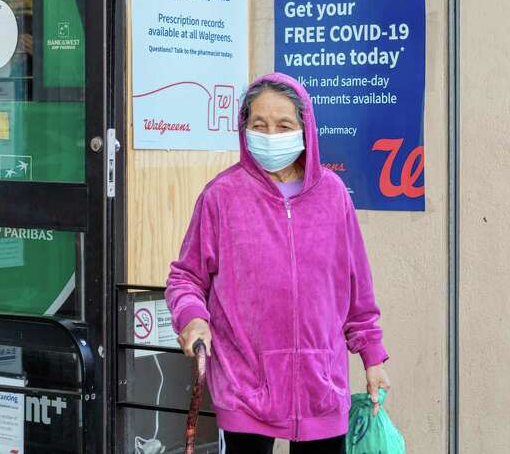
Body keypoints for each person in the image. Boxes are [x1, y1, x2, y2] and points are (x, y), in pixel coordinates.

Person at [165, 73, 391, 453]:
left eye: (283, 125)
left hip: (322, 384)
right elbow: (186, 277)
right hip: (246, 384)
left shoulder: (333, 195)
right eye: (259, 125)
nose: (271, 135)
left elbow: (357, 290)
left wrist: (372, 356)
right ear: (244, 130)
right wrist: (193, 318)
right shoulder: (222, 196)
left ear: (306, 129)